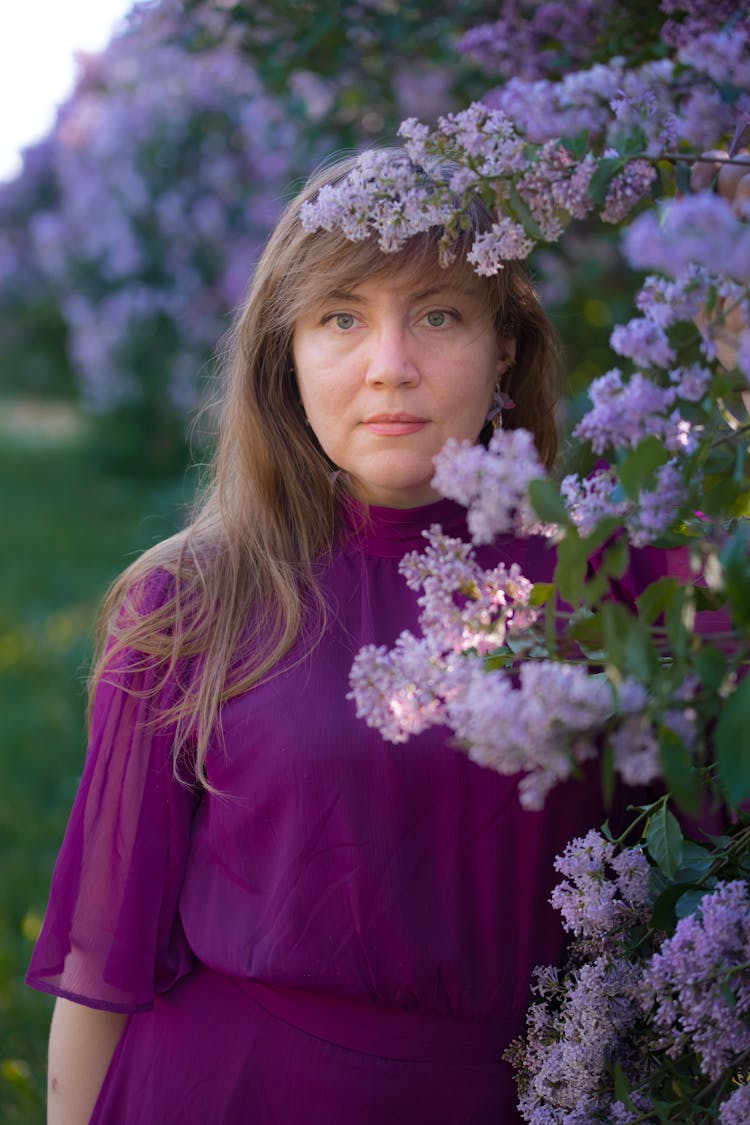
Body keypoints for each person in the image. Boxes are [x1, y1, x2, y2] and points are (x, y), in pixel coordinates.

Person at [24, 150, 736, 1125]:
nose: (390, 363)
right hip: (221, 1093)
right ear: (287, 358)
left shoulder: (631, 584)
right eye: (341, 317)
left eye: (439, 314)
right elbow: (105, 963)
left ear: (505, 354)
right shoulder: (190, 600)